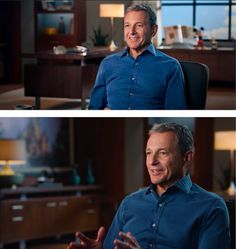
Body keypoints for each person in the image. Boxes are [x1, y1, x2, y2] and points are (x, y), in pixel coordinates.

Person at [67, 123, 230, 249]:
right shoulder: (129, 203)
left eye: (163, 153)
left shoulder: (211, 207)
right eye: (148, 153)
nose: (152, 162)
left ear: (187, 158)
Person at [88, 4, 187, 110]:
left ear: (153, 30)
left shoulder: (170, 66)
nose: (132, 32)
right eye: (127, 25)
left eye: (139, 25)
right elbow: (94, 108)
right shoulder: (107, 64)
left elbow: (175, 112)